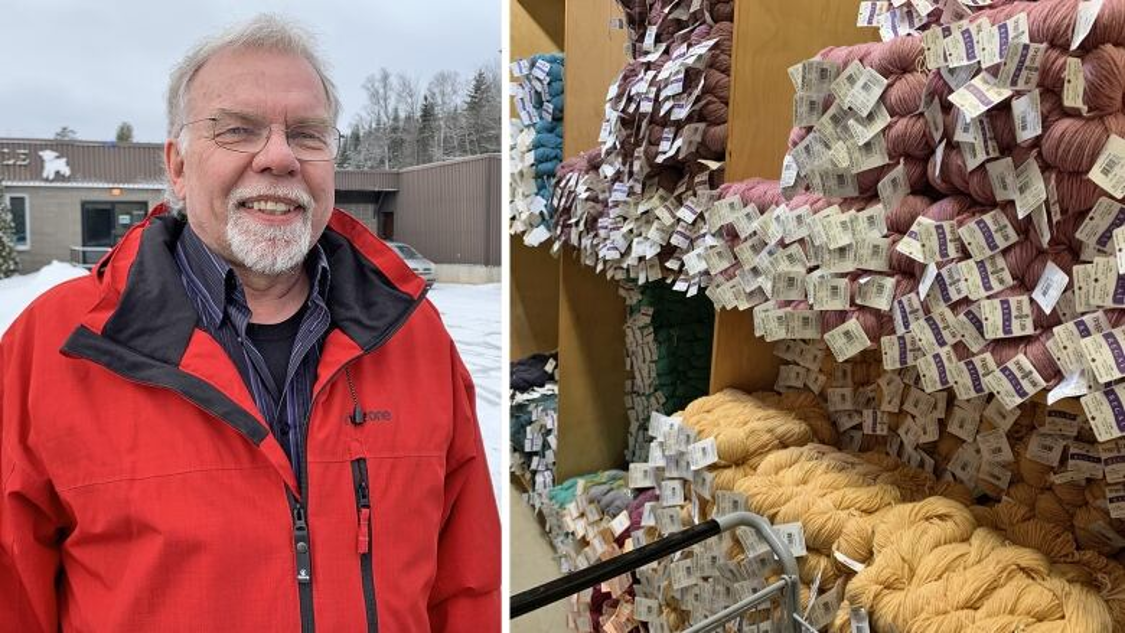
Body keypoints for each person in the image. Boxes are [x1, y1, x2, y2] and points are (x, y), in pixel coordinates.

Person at [0, 14, 499, 632]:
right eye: (238, 130)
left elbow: (466, 584)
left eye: (308, 135)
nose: (281, 158)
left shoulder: (415, 339)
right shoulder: (56, 348)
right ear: (178, 166)